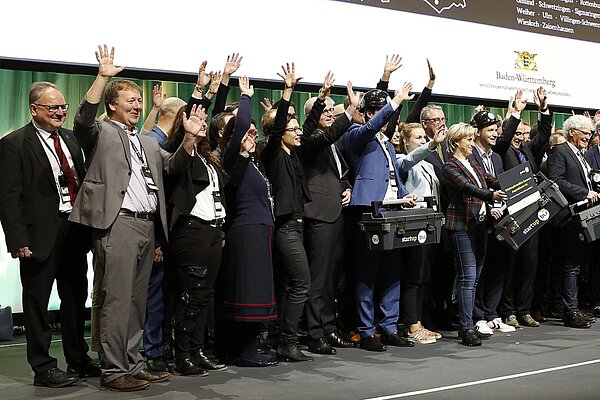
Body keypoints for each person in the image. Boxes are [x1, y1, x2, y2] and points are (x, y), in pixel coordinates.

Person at [69, 44, 198, 391]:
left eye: (140, 102)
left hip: (146, 225)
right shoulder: (102, 131)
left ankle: (133, 362)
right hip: (118, 223)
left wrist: (189, 139)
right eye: (131, 101)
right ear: (113, 104)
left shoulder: (147, 141)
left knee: (137, 300)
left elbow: (173, 168)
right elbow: (82, 120)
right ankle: (112, 371)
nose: (138, 107)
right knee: (116, 298)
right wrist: (102, 77)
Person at [0, 82, 98, 388]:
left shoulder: (70, 138)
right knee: (37, 305)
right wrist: (18, 241)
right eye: (52, 108)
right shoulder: (14, 143)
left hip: (73, 231)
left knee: (74, 299)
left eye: (63, 107)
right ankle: (43, 368)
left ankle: (78, 359)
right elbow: (8, 197)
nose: (59, 113)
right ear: (34, 109)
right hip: (38, 236)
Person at [341, 83, 417, 352]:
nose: (380, 118)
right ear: (366, 113)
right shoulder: (354, 134)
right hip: (369, 212)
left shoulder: (387, 143)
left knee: (392, 272)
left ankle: (389, 326)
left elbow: (395, 177)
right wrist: (394, 101)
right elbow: (370, 127)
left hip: (393, 212)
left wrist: (407, 195)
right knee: (367, 273)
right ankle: (366, 330)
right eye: (373, 111)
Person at [219, 76, 278, 367]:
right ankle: (244, 350)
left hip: (260, 233)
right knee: (248, 292)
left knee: (258, 290)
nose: (252, 136)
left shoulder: (255, 162)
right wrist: (245, 97)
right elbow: (239, 127)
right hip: (246, 233)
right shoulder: (231, 160)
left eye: (256, 133)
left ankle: (251, 346)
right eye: (248, 133)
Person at [300, 72, 358, 355]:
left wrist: (346, 187)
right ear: (312, 116)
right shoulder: (308, 139)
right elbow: (324, 138)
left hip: (337, 214)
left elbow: (340, 172)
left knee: (334, 278)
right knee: (318, 278)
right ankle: (314, 334)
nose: (331, 115)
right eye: (326, 110)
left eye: (333, 110)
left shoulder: (332, 143)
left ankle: (330, 328)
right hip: (318, 215)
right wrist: (348, 111)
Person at [442, 123, 506, 347]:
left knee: (475, 277)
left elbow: (491, 180)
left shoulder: (474, 162)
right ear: (456, 142)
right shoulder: (450, 166)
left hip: (479, 226)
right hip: (461, 228)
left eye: (471, 138)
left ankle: (469, 322)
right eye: (468, 139)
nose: (471, 143)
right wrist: (493, 196)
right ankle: (466, 327)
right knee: (468, 278)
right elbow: (468, 188)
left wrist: (518, 184)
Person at [495, 88, 552, 329]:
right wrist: (515, 113)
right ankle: (508, 311)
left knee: (530, 265)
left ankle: (524, 309)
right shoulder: (502, 148)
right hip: (511, 214)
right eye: (517, 132)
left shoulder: (529, 149)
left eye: (525, 133)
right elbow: (506, 137)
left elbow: (545, 135)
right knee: (511, 265)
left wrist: (543, 110)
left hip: (532, 214)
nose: (520, 137)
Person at [395, 122, 445, 344]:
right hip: (413, 225)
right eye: (418, 138)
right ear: (406, 141)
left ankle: (420, 321)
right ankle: (411, 324)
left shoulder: (430, 166)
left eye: (424, 138)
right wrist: (433, 144)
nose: (423, 142)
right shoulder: (400, 161)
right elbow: (409, 160)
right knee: (413, 277)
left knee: (424, 277)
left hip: (431, 225)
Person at [547, 114, 599, 329]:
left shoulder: (581, 154)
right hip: (568, 218)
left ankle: (572, 307)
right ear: (571, 133)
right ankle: (570, 310)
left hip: (583, 216)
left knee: (577, 265)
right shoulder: (561, 151)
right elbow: (556, 180)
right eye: (584, 133)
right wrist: (583, 193)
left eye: (590, 133)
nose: (588, 137)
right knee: (571, 265)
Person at [467, 109, 512, 338]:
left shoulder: (495, 157)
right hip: (479, 221)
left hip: (500, 221)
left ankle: (492, 314)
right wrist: (489, 206)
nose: (495, 134)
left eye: (496, 130)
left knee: (497, 268)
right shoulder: (469, 154)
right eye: (490, 130)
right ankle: (478, 316)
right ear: (477, 132)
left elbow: (501, 185)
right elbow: (472, 187)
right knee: (478, 271)